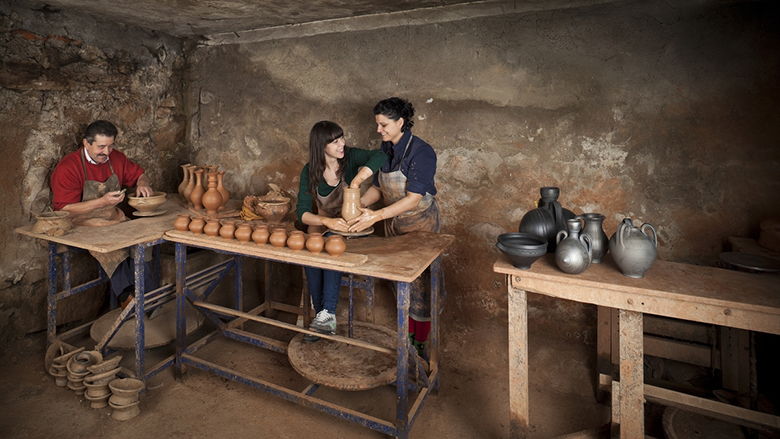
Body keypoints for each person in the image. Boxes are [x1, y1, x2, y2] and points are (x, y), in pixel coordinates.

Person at [347, 97, 440, 356]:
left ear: (401, 122)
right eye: (377, 124)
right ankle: (404, 343)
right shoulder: (386, 148)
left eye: (384, 125)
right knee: (399, 283)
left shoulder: (421, 152)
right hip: (392, 224)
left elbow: (413, 199)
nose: (379, 130)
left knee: (421, 287)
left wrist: (375, 217)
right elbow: (378, 188)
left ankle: (420, 347)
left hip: (420, 226)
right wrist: (357, 206)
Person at [50, 120, 157, 307]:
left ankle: (149, 298)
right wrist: (102, 202)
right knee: (112, 249)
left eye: (110, 146)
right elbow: (63, 209)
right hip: (81, 224)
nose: (107, 152)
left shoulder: (116, 158)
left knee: (145, 242)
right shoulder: (68, 167)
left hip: (112, 219)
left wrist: (142, 182)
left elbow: (140, 174)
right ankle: (127, 300)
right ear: (86, 143)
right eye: (101, 147)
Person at [295, 121, 387, 337]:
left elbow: (381, 155)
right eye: (335, 142)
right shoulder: (310, 171)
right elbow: (302, 212)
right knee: (312, 251)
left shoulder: (351, 157)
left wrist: (357, 179)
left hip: (348, 225)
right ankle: (323, 317)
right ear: (321, 145)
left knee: (332, 247)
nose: (342, 144)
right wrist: (326, 222)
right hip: (324, 223)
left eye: (342, 138)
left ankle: (325, 315)